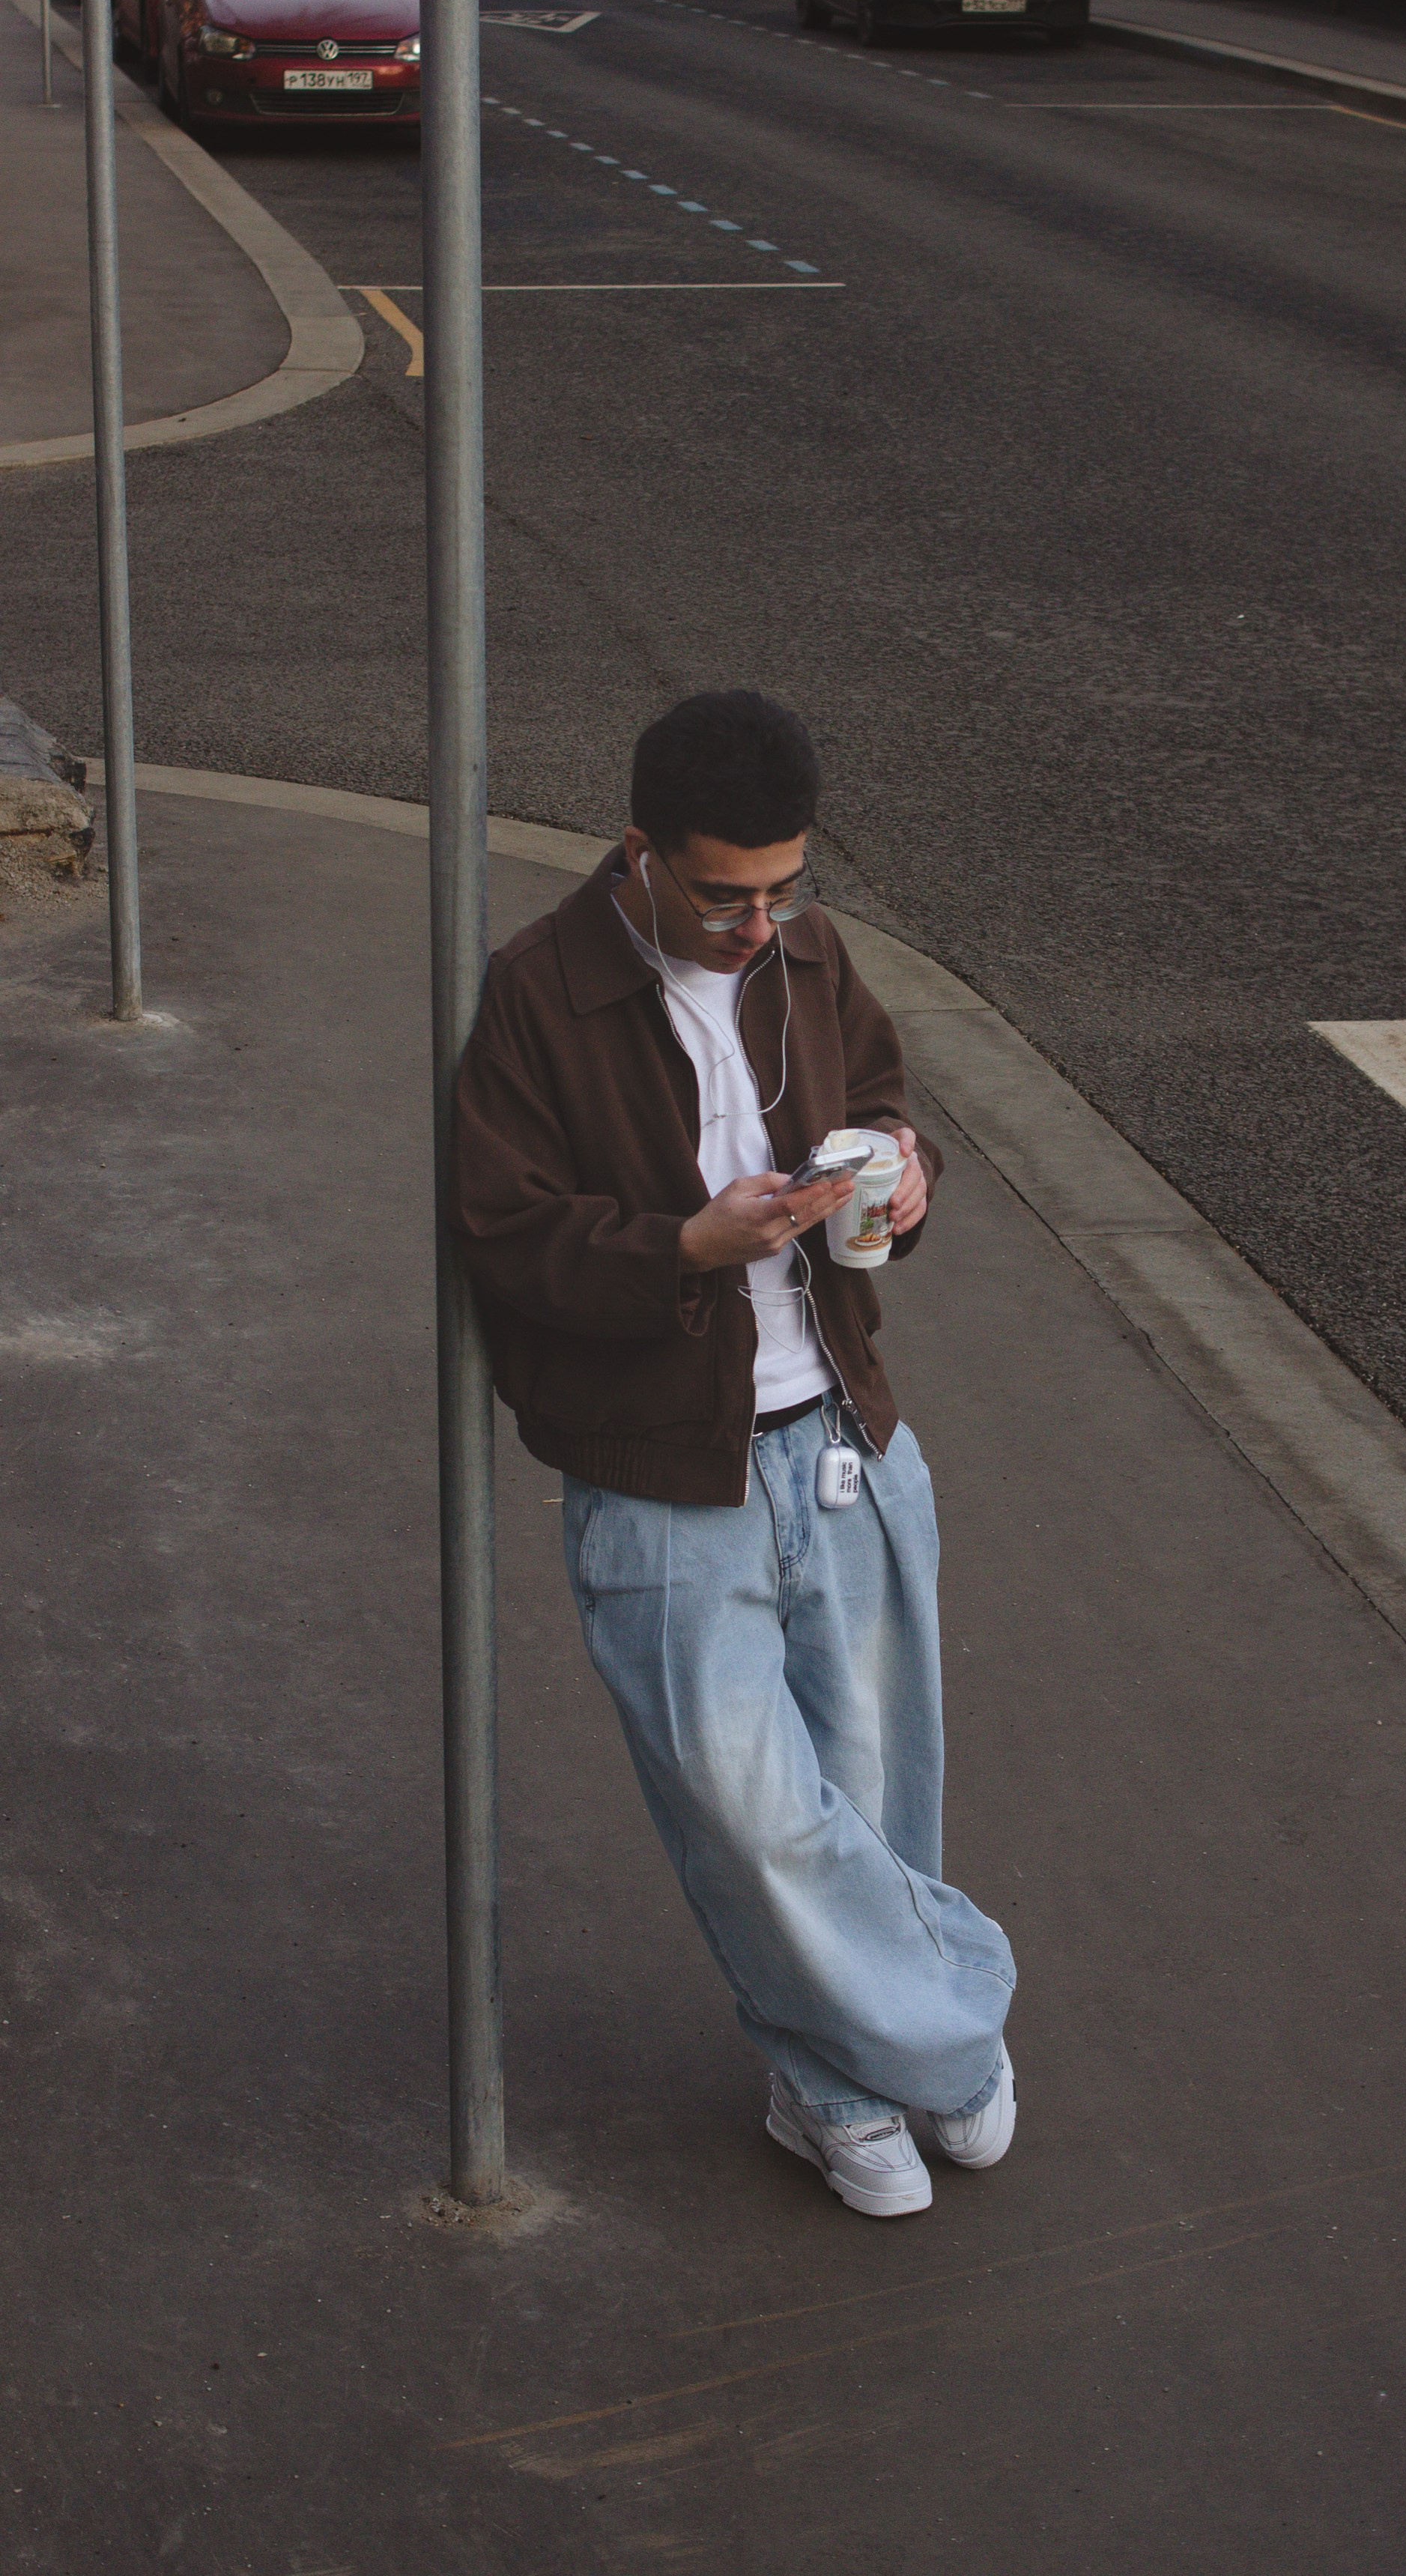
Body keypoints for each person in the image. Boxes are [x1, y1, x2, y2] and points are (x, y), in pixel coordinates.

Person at [449, 689, 1016, 2219]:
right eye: (725, 894)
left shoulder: (813, 957)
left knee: (878, 1799)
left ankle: (831, 2081)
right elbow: (500, 1237)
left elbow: (893, 1108)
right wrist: (682, 1245)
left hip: (844, 1436)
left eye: (784, 887)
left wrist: (901, 1174)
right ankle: (956, 2034)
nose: (761, 923)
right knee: (753, 1820)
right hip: (658, 1480)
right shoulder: (536, 992)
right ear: (639, 853)